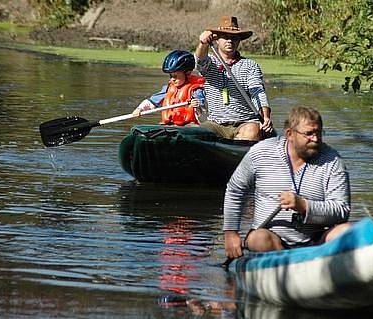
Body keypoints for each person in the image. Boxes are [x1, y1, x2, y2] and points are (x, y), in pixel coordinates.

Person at [223, 106, 352, 258]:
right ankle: (283, 266)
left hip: (317, 242)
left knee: (349, 231)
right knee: (259, 239)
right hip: (271, 241)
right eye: (309, 134)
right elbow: (235, 190)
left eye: (319, 133)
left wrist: (304, 206)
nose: (316, 139)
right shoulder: (261, 152)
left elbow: (342, 210)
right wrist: (231, 233)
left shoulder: (333, 160)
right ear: (289, 134)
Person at [195, 16, 273, 141]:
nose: (230, 41)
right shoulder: (210, 63)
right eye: (225, 37)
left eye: (234, 38)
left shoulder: (250, 65)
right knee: (198, 133)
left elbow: (258, 93)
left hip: (245, 123)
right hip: (216, 124)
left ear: (239, 41)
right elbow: (199, 60)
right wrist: (203, 43)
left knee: (252, 132)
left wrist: (266, 117)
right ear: (217, 40)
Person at [133, 50, 206, 126]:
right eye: (171, 76)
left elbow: (203, 111)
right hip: (170, 125)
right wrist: (140, 109)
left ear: (188, 73)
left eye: (175, 76)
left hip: (190, 126)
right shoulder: (168, 88)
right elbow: (152, 102)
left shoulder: (196, 90)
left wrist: (197, 105)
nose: (172, 79)